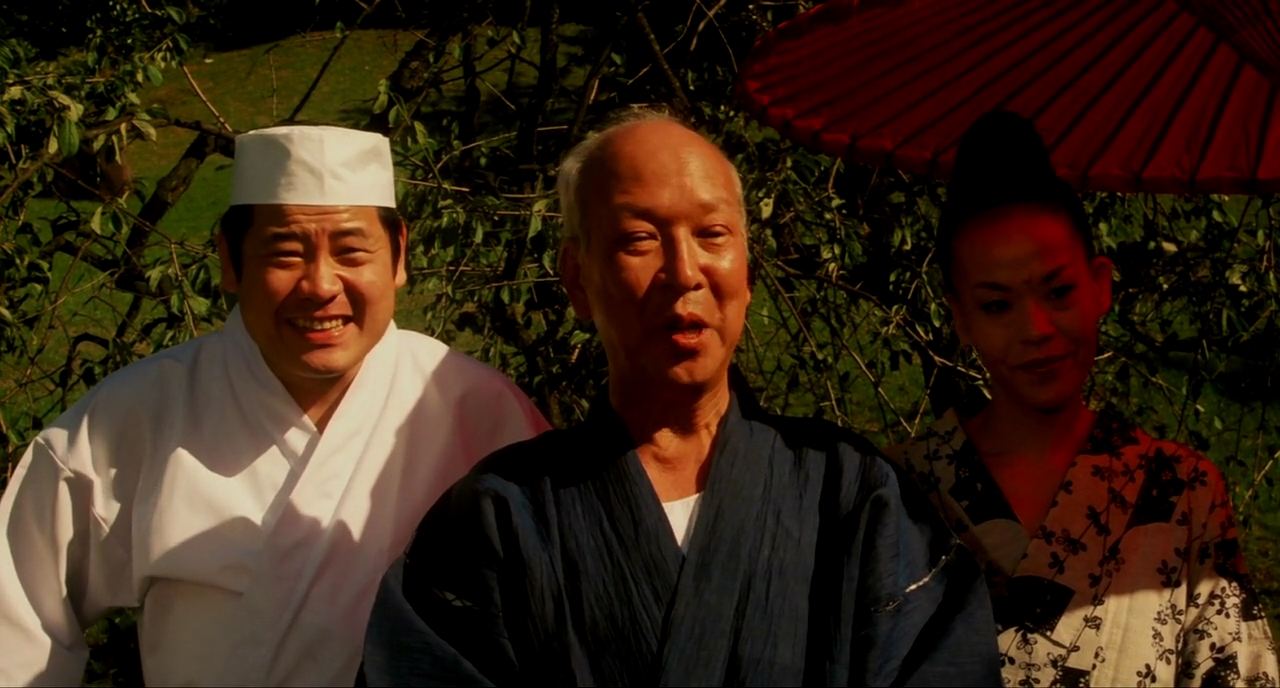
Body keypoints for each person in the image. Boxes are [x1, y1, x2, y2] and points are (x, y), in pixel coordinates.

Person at [361, 110, 1000, 686]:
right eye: (640, 239)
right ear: (576, 279)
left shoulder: (852, 493)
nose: (685, 271)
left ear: (747, 274)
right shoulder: (501, 517)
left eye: (713, 235)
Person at [0, 125, 549, 686]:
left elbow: (561, 619)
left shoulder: (479, 411)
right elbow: (15, 612)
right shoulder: (137, 414)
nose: (319, 285)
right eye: (285, 253)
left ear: (399, 255)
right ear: (231, 262)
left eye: (352, 252)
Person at [885, 111, 1279, 686]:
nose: (1037, 328)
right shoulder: (895, 490)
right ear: (960, 317)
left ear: (1101, 284)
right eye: (997, 304)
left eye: (1059, 291)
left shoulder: (1181, 493)